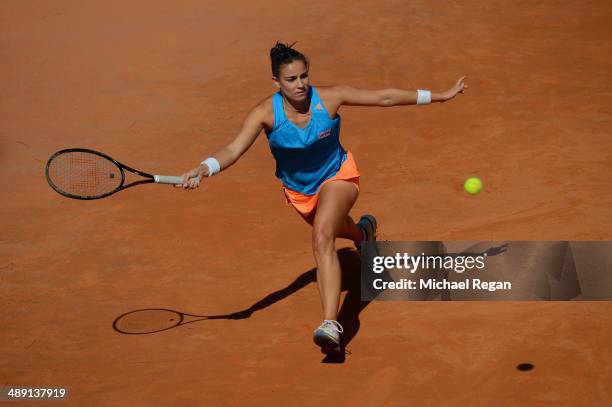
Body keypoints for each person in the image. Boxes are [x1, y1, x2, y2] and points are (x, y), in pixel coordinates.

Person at [176, 42, 467, 355]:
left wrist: (439, 95)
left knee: (322, 236)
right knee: (337, 229)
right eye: (291, 79)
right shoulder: (264, 114)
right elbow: (233, 150)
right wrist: (204, 169)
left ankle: (331, 324)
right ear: (276, 83)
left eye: (304, 76)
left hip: (339, 176)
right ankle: (364, 234)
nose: (300, 84)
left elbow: (384, 97)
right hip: (301, 192)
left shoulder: (328, 98)